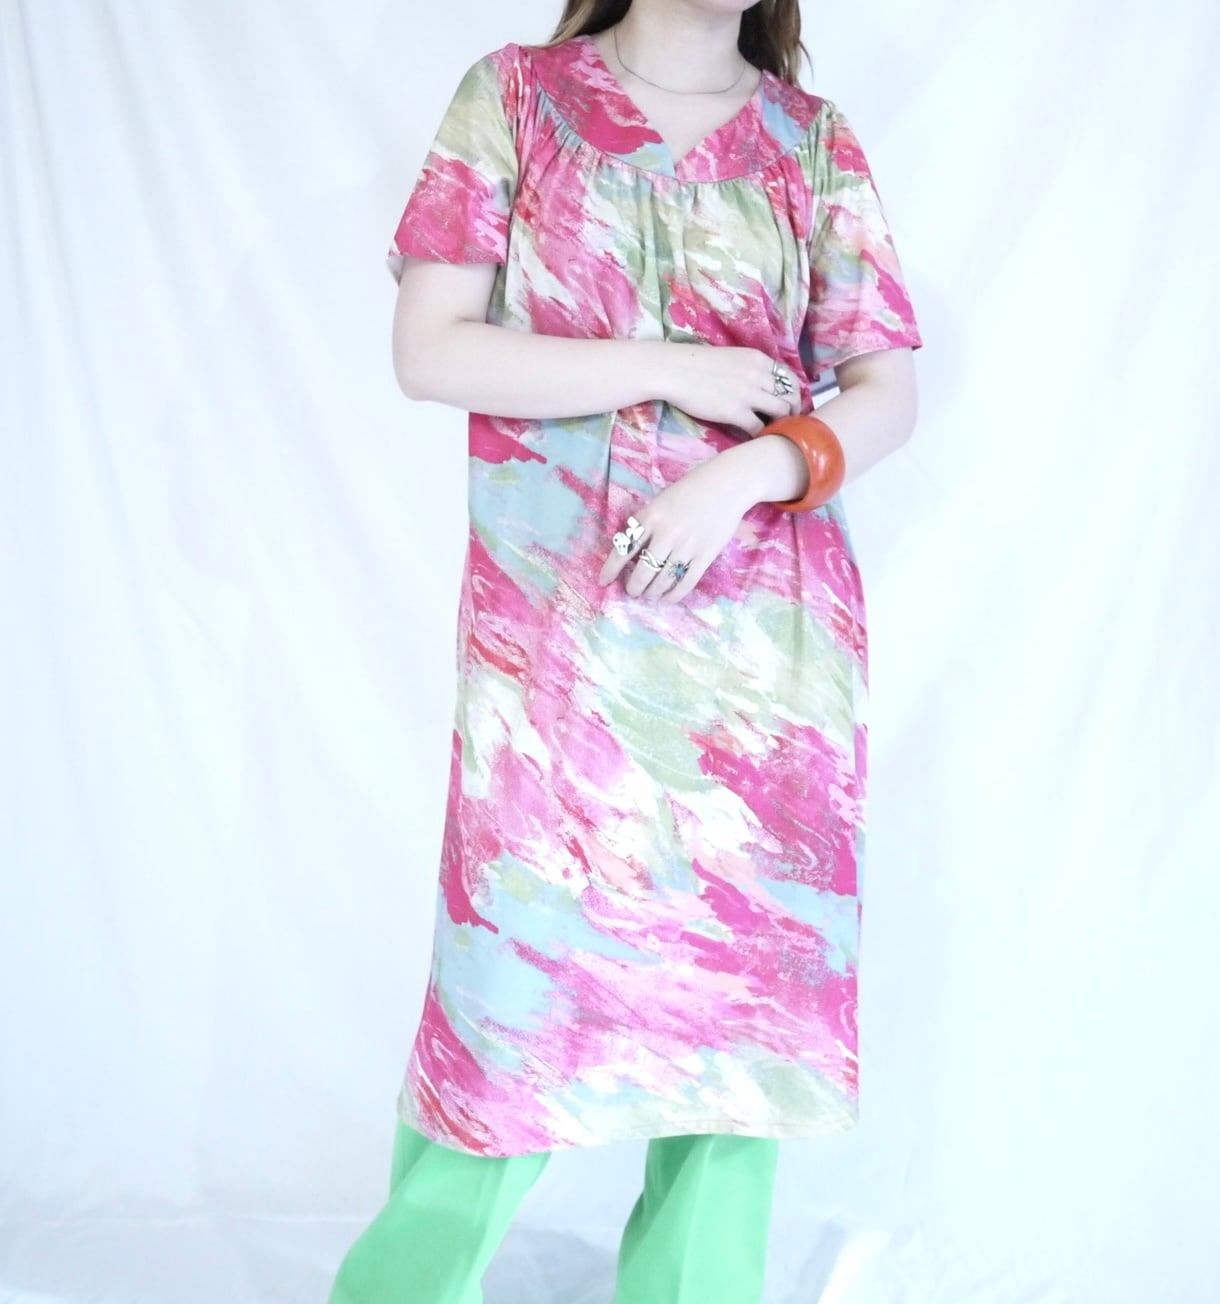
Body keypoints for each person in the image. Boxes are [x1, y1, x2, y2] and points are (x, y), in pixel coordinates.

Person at [329, 0, 922, 1300]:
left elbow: (888, 395)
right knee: (503, 1017)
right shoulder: (518, 100)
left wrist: (750, 471)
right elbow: (430, 351)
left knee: (734, 1044)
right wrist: (674, 369)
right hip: (556, 664)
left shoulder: (810, 141)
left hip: (765, 668)